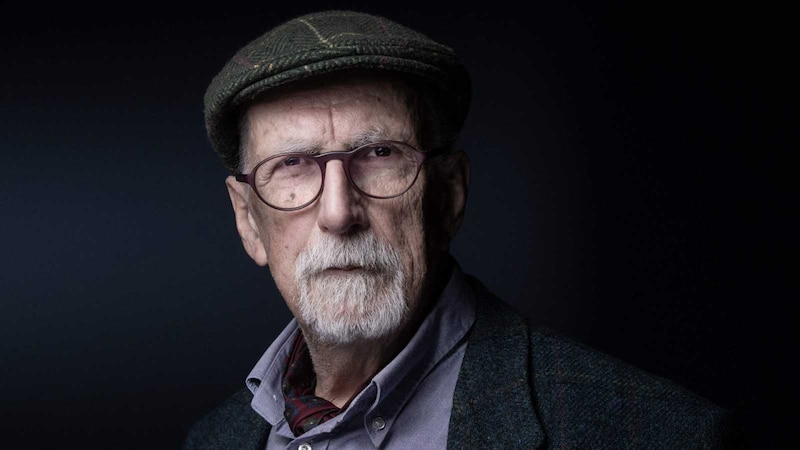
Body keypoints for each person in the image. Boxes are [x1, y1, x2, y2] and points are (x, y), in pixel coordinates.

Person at [184, 10, 734, 449]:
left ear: (448, 195)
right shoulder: (214, 440)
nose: (337, 212)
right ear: (248, 220)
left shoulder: (659, 434)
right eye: (292, 165)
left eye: (380, 154)